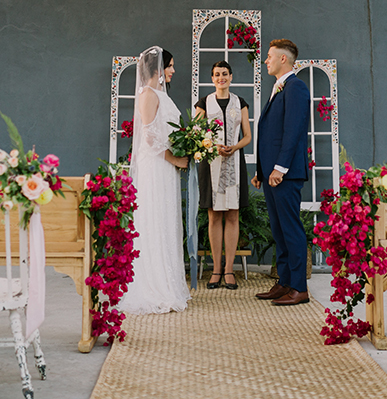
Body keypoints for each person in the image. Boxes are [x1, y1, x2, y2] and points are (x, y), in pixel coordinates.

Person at [119, 46, 191, 314]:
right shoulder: (147, 94)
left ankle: (168, 283)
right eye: (170, 65)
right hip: (156, 165)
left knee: (165, 219)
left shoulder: (161, 94)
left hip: (165, 166)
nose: (173, 70)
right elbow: (149, 138)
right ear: (158, 69)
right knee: (154, 219)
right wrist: (175, 158)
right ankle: (152, 285)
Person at [252, 39, 311, 306]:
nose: (266, 60)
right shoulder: (279, 88)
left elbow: (293, 131)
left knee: (291, 229)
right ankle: (285, 282)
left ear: (283, 59)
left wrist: (280, 168)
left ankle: (299, 287)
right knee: (278, 229)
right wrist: (261, 171)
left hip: (285, 173)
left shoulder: (296, 87)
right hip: (272, 173)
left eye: (269, 57)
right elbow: (269, 133)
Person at [194, 61, 251, 291]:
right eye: (216, 74)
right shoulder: (203, 103)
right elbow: (196, 134)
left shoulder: (241, 103)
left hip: (236, 162)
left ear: (231, 76)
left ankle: (229, 269)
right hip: (211, 164)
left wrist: (235, 147)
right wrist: (213, 146)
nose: (221, 78)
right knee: (214, 216)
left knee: (233, 216)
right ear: (212, 78)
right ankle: (216, 269)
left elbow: (247, 135)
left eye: (225, 74)